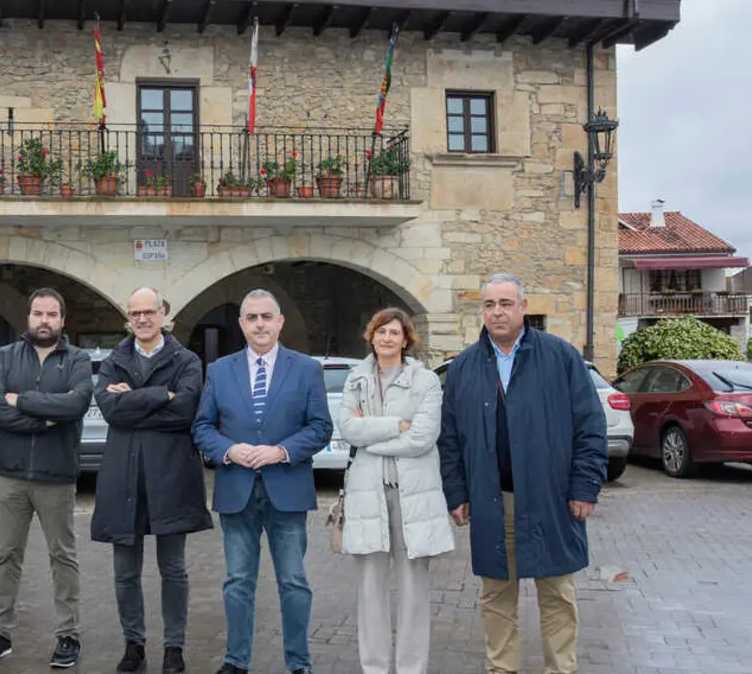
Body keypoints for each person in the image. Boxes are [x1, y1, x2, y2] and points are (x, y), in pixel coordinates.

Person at [437, 274, 607, 674]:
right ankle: (502, 669)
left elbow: (590, 427)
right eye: (489, 304)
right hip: (493, 501)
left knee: (557, 595)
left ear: (523, 307)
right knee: (496, 595)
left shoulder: (560, 357)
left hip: (552, 500)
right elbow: (450, 440)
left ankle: (560, 669)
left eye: (505, 303)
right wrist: (457, 493)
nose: (497, 312)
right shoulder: (464, 366)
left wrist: (585, 487)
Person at [192, 289, 332, 674]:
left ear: (280, 321)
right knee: (237, 581)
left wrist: (280, 451)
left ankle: (299, 663)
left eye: (266, 317)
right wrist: (229, 450)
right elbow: (202, 426)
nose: (259, 324)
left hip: (287, 489)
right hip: (236, 489)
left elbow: (321, 427)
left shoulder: (306, 369)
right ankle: (236, 661)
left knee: (294, 582)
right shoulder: (219, 370)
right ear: (241, 324)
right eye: (251, 317)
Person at [91, 287, 212, 674]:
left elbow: (185, 411)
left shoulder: (186, 359)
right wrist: (162, 394)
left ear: (164, 313)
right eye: (134, 313)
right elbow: (112, 412)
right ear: (128, 318)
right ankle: (134, 645)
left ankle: (174, 647)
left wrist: (137, 398)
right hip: (122, 477)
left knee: (173, 569)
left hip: (171, 476)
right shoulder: (114, 359)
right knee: (125, 571)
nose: (142, 319)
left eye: (149, 311)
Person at [0, 287, 93, 668]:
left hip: (56, 476)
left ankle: (68, 636)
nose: (45, 320)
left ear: (62, 320)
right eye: (38, 313)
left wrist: (21, 400)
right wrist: (44, 419)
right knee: (6, 555)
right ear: (28, 317)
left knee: (63, 556)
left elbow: (76, 404)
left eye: (52, 314)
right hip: (10, 476)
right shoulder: (6, 356)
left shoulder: (76, 359)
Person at [335, 307, 453, 674]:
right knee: (370, 590)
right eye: (381, 331)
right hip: (368, 495)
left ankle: (411, 668)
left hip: (413, 495)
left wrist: (373, 438)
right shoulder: (355, 378)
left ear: (406, 340)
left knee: (414, 591)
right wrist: (394, 426)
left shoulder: (426, 382)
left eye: (395, 333)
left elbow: (422, 438)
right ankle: (374, 667)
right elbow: (347, 430)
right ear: (371, 336)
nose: (387, 338)